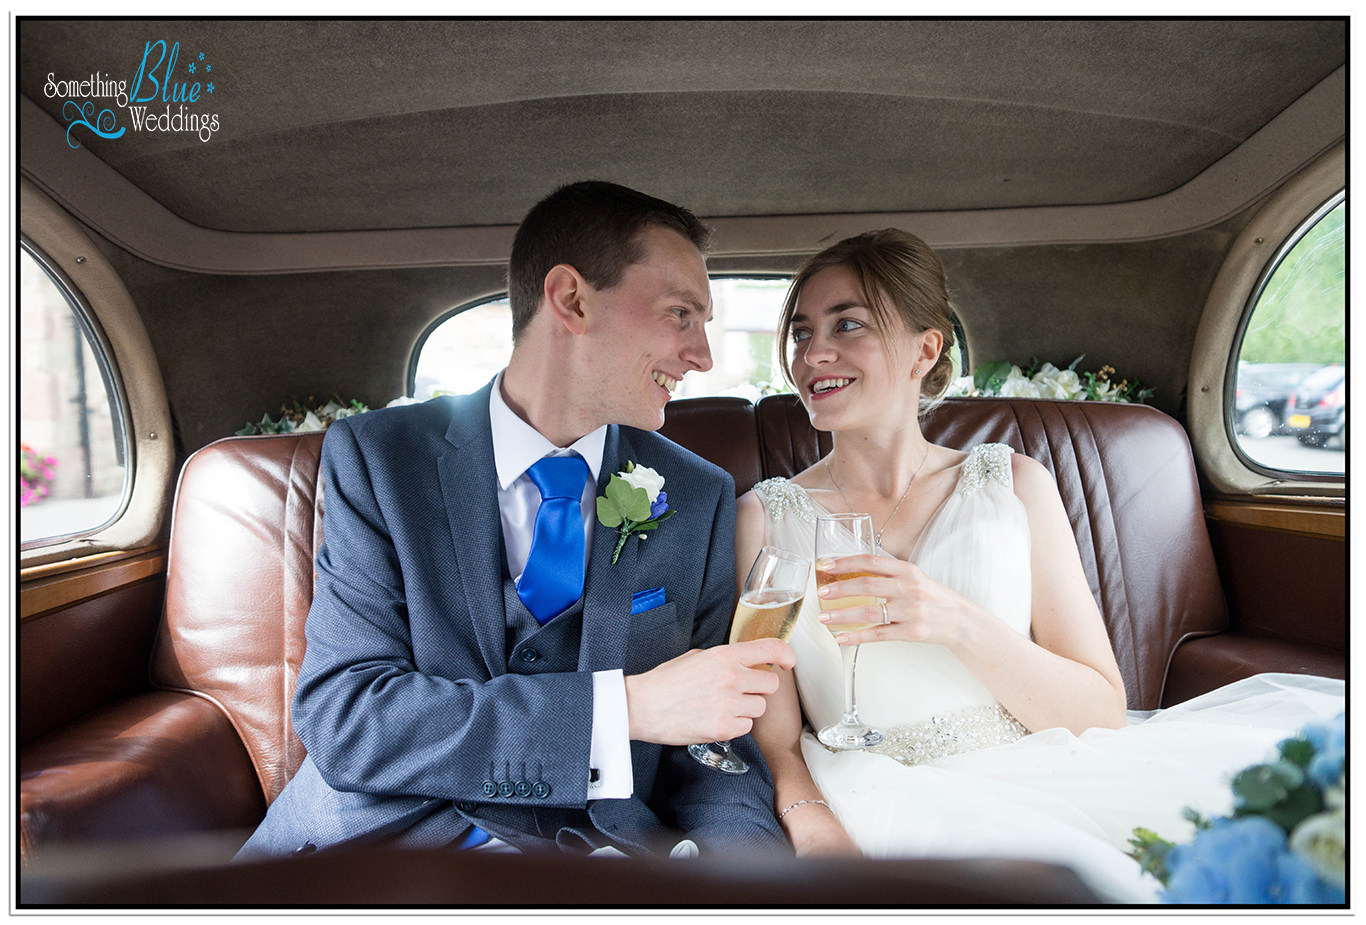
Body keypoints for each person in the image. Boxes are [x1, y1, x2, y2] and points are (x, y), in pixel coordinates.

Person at [734, 229, 1345, 902]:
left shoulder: (1017, 484)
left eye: (846, 324)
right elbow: (778, 739)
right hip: (873, 792)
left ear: (925, 348)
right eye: (799, 333)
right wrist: (809, 817)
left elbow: (1101, 711)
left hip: (1052, 773)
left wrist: (957, 620)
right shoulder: (764, 520)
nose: (813, 354)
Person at [238, 181, 796, 861]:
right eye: (681, 313)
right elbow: (350, 717)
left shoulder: (698, 494)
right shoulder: (381, 461)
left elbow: (714, 749)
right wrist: (622, 710)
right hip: (384, 854)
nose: (703, 354)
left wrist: (752, 882)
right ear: (571, 299)